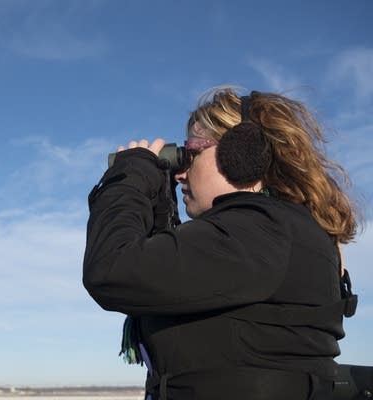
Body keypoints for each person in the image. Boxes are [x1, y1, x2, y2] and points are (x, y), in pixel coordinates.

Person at [83, 87, 359, 400]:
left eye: (191, 153)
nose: (180, 174)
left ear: (243, 151)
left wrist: (129, 176)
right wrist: (158, 204)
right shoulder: (279, 232)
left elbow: (113, 269)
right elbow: (164, 283)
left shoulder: (262, 231)